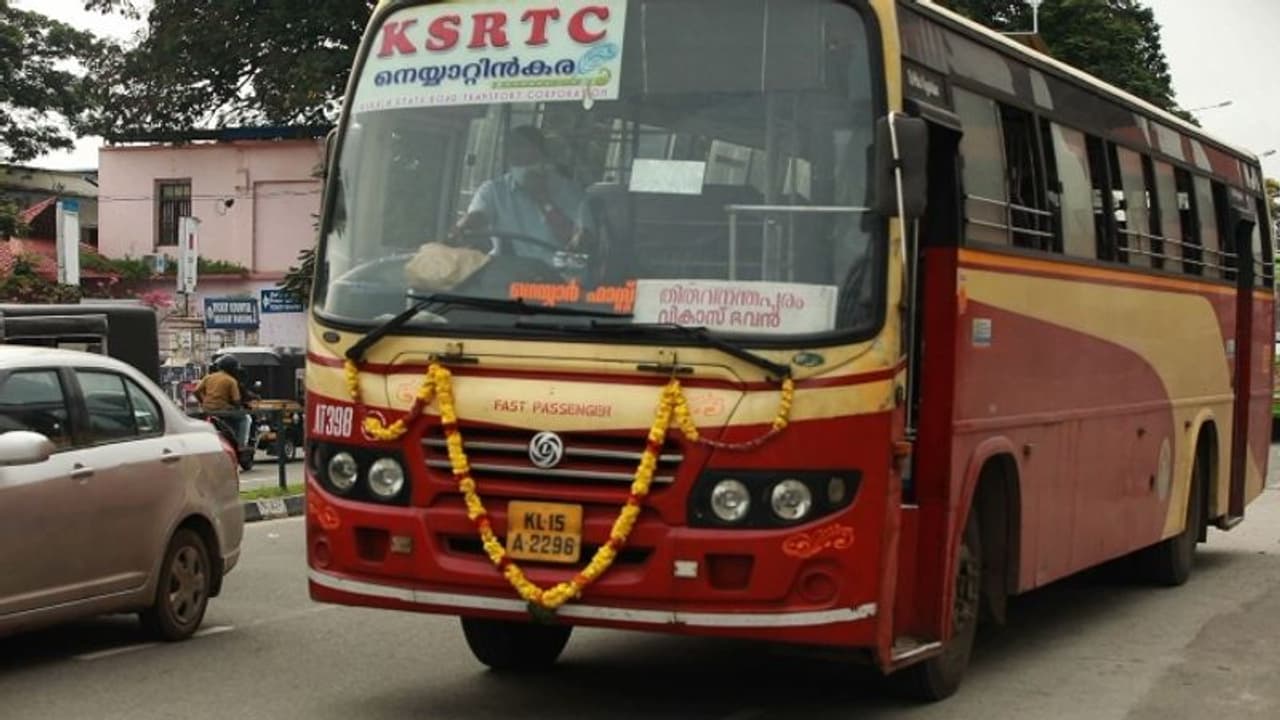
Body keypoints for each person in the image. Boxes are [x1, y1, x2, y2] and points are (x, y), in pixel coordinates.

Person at [452, 125, 596, 266]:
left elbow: (575, 241)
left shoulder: (569, 191)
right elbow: (478, 216)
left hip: (554, 277)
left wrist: (543, 199)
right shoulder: (494, 190)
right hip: (507, 273)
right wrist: (464, 226)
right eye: (512, 151)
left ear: (542, 154)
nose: (515, 155)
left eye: (522, 148)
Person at [195, 355, 251, 449]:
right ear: (232, 368)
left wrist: (202, 401)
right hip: (223, 410)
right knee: (245, 418)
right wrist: (241, 407)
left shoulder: (208, 377)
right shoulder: (231, 380)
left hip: (207, 410)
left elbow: (196, 391)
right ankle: (241, 445)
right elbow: (236, 401)